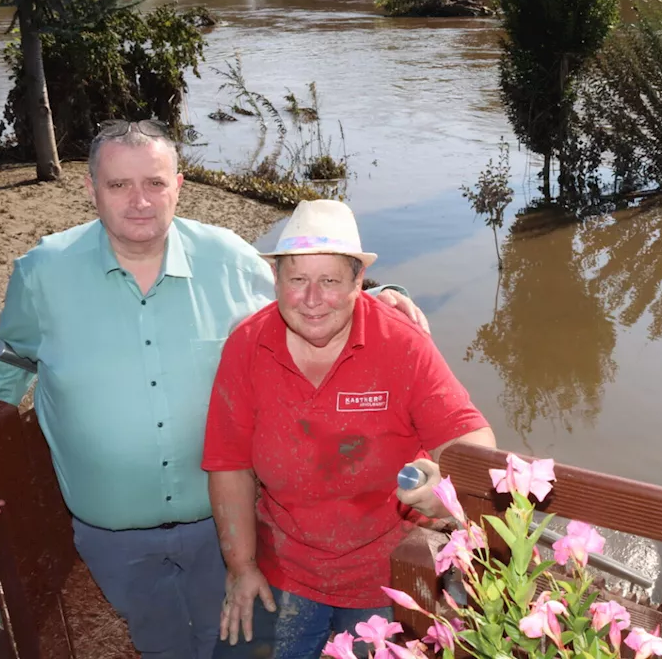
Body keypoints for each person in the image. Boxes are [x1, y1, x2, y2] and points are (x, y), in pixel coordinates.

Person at [0, 119, 431, 659]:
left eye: (154, 183)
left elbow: (308, 294)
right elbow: (3, 364)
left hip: (223, 524)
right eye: (118, 185)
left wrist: (383, 294)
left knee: (232, 641)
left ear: (179, 186)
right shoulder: (43, 272)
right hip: (113, 533)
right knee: (159, 642)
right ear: (91, 190)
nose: (139, 201)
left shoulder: (226, 257)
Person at [203, 200, 497, 659]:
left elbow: (471, 441)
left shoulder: (401, 342)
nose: (312, 298)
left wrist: (445, 480)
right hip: (283, 566)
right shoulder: (246, 346)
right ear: (275, 280)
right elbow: (229, 465)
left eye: (331, 281)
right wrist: (240, 567)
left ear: (359, 282)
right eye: (297, 279)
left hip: (387, 573)